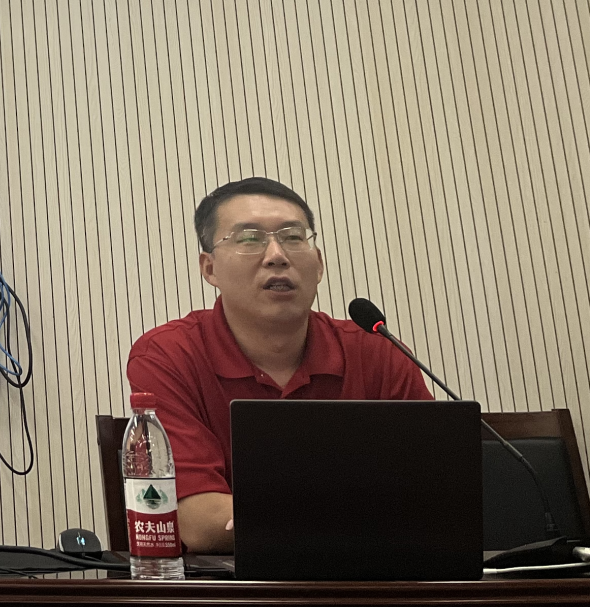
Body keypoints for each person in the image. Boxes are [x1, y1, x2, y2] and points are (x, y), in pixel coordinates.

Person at [124, 177, 430, 553]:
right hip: (231, 584)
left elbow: (434, 494)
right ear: (210, 268)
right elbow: (202, 523)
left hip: (371, 578)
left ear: (319, 264)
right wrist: (361, 515)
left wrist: (271, 518)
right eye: (249, 239)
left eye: (293, 237)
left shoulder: (377, 350)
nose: (276, 255)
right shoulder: (168, 356)